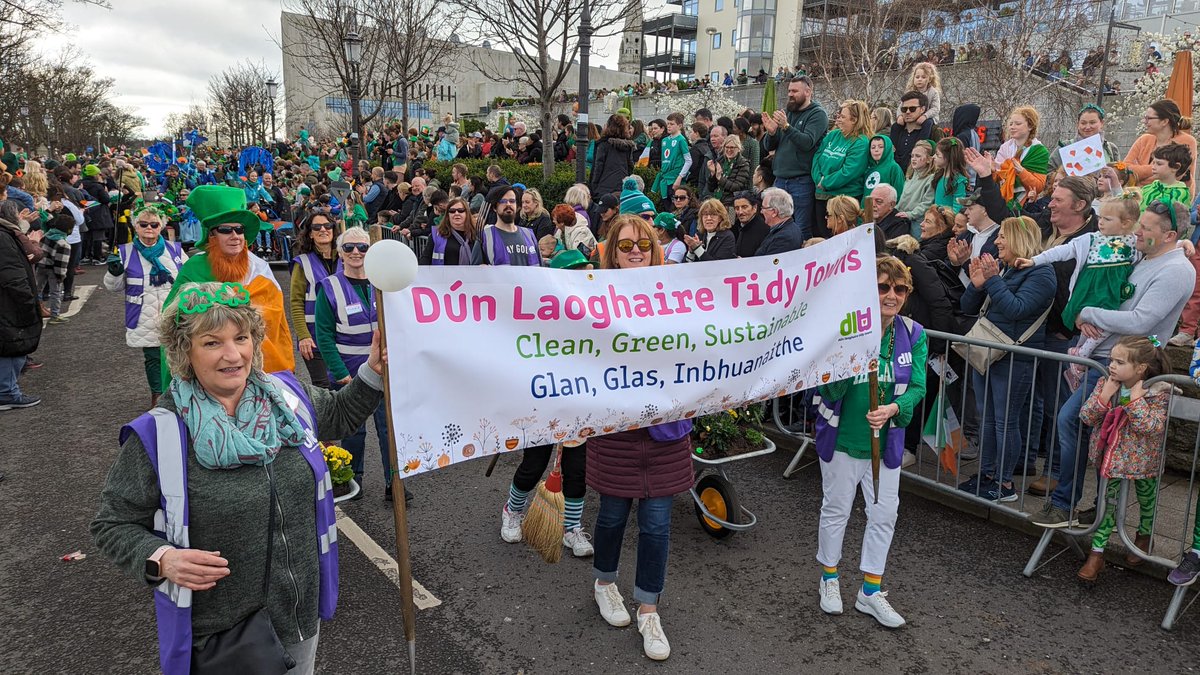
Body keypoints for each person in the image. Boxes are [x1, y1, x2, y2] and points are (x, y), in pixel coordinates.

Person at [91, 281, 388, 674]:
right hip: (224, 633)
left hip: (298, 612)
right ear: (185, 351)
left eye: (242, 337)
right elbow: (113, 523)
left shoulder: (285, 396)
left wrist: (373, 372)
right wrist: (163, 559)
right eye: (212, 342)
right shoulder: (160, 433)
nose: (233, 355)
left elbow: (340, 414)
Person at [1032, 199, 1194, 527]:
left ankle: (1071, 504)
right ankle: (1092, 507)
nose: (1137, 231)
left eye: (1146, 228)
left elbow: (1140, 320)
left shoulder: (1176, 269)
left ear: (1168, 235)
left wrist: (1086, 313)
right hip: (1104, 355)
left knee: (1077, 423)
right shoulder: (1145, 252)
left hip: (1126, 364)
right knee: (1096, 433)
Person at [589, 214, 691, 661]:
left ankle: (649, 607)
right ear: (612, 250)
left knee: (657, 525)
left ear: (656, 249)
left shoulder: (682, 297)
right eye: (626, 244)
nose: (635, 251)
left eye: (644, 245)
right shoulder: (589, 296)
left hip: (667, 431)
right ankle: (605, 583)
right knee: (611, 517)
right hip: (615, 432)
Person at [814, 255, 927, 628]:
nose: (891, 295)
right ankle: (829, 579)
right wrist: (855, 362)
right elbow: (829, 386)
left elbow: (919, 387)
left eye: (899, 289)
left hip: (887, 443)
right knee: (837, 509)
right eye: (882, 287)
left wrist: (894, 407)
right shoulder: (845, 329)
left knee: (883, 515)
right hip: (844, 439)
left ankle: (870, 591)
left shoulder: (913, 333)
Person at [957, 217, 1057, 502]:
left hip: (1015, 358)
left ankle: (1004, 485)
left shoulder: (1041, 272)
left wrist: (992, 281)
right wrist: (978, 286)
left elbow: (1016, 309)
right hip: (989, 352)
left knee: (1004, 422)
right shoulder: (1004, 270)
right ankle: (986, 475)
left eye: (1002, 236)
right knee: (986, 418)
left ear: (1019, 239)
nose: (997, 242)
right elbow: (966, 307)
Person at [160, 185, 295, 390]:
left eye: (239, 229)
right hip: (209, 370)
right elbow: (174, 322)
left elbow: (275, 318)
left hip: (255, 364)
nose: (235, 236)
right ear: (212, 236)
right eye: (226, 230)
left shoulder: (258, 266)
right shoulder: (194, 268)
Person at [1018, 191, 1140, 388]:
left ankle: (1079, 357)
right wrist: (1034, 261)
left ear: (1125, 223)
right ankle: (1079, 357)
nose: (1100, 222)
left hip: (1111, 292)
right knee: (1090, 327)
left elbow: (1160, 244)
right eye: (1100, 218)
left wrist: (1183, 243)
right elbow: (1061, 252)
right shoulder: (1090, 239)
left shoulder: (1134, 241)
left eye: (1107, 219)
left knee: (1105, 326)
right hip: (1089, 291)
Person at [1075, 336, 1171, 583]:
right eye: (1111, 360)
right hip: (1113, 459)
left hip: (1143, 461)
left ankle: (1144, 534)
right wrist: (1104, 397)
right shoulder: (1106, 383)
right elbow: (1086, 417)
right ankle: (1096, 554)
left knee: (1147, 499)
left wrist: (1136, 400)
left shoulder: (1159, 391)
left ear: (1140, 368)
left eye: (1119, 361)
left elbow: (1151, 426)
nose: (1112, 366)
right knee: (1108, 505)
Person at [313, 228, 397, 501]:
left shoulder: (383, 283)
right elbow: (323, 336)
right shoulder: (330, 286)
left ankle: (392, 482)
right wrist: (340, 373)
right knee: (353, 429)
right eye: (349, 248)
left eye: (362, 248)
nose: (356, 253)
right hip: (349, 371)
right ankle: (351, 479)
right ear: (340, 253)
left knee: (388, 428)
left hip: (383, 370)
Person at [103, 204, 187, 407]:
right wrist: (114, 272)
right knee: (153, 358)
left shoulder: (175, 251)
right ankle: (157, 395)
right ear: (135, 227)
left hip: (174, 314)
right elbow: (113, 287)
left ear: (162, 227)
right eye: (143, 224)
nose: (149, 228)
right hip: (143, 314)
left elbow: (187, 280)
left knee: (178, 355)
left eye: (154, 224)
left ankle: (180, 392)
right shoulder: (125, 251)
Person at [761, 76, 828, 238]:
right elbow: (769, 147)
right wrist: (770, 133)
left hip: (801, 180)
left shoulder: (817, 114)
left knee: (801, 227)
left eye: (795, 91)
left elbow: (807, 142)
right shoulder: (789, 112)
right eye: (789, 90)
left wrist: (786, 127)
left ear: (808, 92)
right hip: (780, 179)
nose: (790, 94)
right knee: (774, 224)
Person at [289, 212, 341, 389]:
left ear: (334, 230)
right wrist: (303, 336)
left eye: (327, 226)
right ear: (310, 233)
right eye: (317, 227)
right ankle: (325, 418)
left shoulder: (347, 259)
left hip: (343, 335)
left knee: (345, 387)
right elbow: (296, 302)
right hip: (314, 336)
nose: (323, 230)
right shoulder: (302, 263)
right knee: (322, 387)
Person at [813, 100, 872, 240]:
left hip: (843, 200)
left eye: (842, 116)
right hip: (821, 195)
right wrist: (818, 179)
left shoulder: (861, 142)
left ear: (854, 120)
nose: (838, 118)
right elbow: (817, 156)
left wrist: (826, 182)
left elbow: (849, 171)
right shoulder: (833, 135)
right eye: (838, 115)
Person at [1123, 99, 1197, 198]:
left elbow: (1176, 176)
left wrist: (1138, 174)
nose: (1144, 121)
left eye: (1149, 118)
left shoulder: (1187, 141)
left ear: (1164, 121)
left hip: (1169, 198)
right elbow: (1124, 171)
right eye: (1145, 117)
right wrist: (1159, 168)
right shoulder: (1144, 139)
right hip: (1137, 198)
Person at [994, 107, 1049, 208]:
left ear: (1030, 126)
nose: (1012, 127)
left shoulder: (1039, 151)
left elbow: (1039, 186)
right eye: (1011, 124)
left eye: (1018, 124)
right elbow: (997, 177)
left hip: (1026, 204)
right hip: (1002, 201)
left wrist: (1022, 172)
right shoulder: (1005, 147)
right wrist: (990, 168)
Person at [475, 187, 540, 266]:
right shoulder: (484, 236)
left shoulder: (529, 235)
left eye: (512, 201)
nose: (508, 204)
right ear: (495, 207)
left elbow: (540, 269)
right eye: (503, 201)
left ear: (517, 206)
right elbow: (474, 273)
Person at [1047, 104, 1120, 174]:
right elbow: (1048, 171)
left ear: (1101, 123)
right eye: (1083, 123)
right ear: (1078, 124)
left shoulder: (1110, 149)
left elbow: (1119, 175)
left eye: (1092, 122)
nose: (1087, 127)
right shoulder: (1065, 147)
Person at [36, 212, 73, 325]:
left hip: (41, 265)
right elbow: (61, 263)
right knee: (55, 293)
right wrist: (61, 276)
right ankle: (55, 315)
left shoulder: (47, 235)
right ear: (68, 230)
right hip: (53, 270)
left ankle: (35, 312)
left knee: (37, 290)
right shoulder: (64, 244)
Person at [589, 114, 637, 199]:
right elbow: (630, 168)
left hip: (603, 188)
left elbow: (598, 168)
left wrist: (593, 188)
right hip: (622, 188)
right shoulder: (627, 146)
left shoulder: (603, 144)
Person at [425, 196, 480, 266]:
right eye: (452, 211)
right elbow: (425, 259)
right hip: (443, 276)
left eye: (461, 210)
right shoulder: (436, 234)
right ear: (448, 215)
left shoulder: (478, 235)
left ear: (467, 213)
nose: (456, 213)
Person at [890, 91, 937, 173]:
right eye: (904, 109)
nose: (907, 112)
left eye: (912, 109)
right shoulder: (896, 131)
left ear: (922, 109)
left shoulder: (933, 131)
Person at [1140, 143, 1192, 211]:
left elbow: (1179, 218)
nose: (1153, 167)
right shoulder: (1146, 188)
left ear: (1176, 167)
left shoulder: (1181, 193)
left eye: (1159, 164)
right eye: (1153, 163)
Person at [754, 187, 804, 256]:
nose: (761, 211)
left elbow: (770, 265)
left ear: (774, 212)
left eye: (763, 208)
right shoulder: (786, 228)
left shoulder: (784, 238)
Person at [896, 141, 936, 227]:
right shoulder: (910, 176)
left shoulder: (931, 178)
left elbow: (927, 203)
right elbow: (904, 198)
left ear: (929, 159)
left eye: (918, 156)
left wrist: (911, 214)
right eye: (912, 156)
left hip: (917, 222)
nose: (913, 159)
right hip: (903, 218)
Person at [684, 198, 737, 262]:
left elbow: (716, 265)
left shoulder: (727, 237)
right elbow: (687, 265)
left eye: (713, 214)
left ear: (720, 218)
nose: (708, 218)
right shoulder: (699, 234)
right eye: (705, 215)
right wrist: (691, 251)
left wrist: (697, 248)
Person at [707, 135, 752, 208]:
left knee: (729, 219)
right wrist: (712, 174)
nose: (729, 150)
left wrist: (719, 178)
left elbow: (737, 187)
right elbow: (711, 188)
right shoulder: (720, 161)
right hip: (717, 202)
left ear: (738, 148)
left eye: (732, 147)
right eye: (727, 147)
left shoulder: (743, 164)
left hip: (732, 204)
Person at [931, 138, 969, 212]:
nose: (933, 157)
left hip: (947, 221)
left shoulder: (959, 181)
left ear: (948, 157)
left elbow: (957, 208)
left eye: (937, 154)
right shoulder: (938, 176)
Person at [733, 190, 769, 257]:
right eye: (737, 208)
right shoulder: (739, 225)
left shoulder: (762, 229)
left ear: (755, 207)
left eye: (744, 207)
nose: (740, 212)